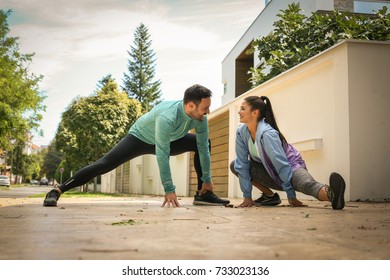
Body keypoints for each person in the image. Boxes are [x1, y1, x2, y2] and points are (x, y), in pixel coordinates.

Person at [44, 84, 230, 208]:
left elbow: (203, 148)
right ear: (190, 106)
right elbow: (162, 153)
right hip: (140, 137)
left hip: (171, 139)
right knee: (105, 164)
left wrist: (207, 178)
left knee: (203, 143)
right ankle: (57, 190)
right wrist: (169, 189)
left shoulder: (200, 117)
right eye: (205, 108)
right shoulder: (167, 117)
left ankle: (202, 194)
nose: (208, 112)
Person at [230, 95, 345, 210]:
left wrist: (290, 194)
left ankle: (332, 195)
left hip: (291, 166)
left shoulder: (267, 134)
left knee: (306, 184)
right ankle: (269, 196)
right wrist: (247, 196)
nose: (239, 112)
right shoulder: (241, 132)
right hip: (271, 172)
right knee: (236, 165)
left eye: (243, 108)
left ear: (255, 113)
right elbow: (242, 163)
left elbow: (281, 164)